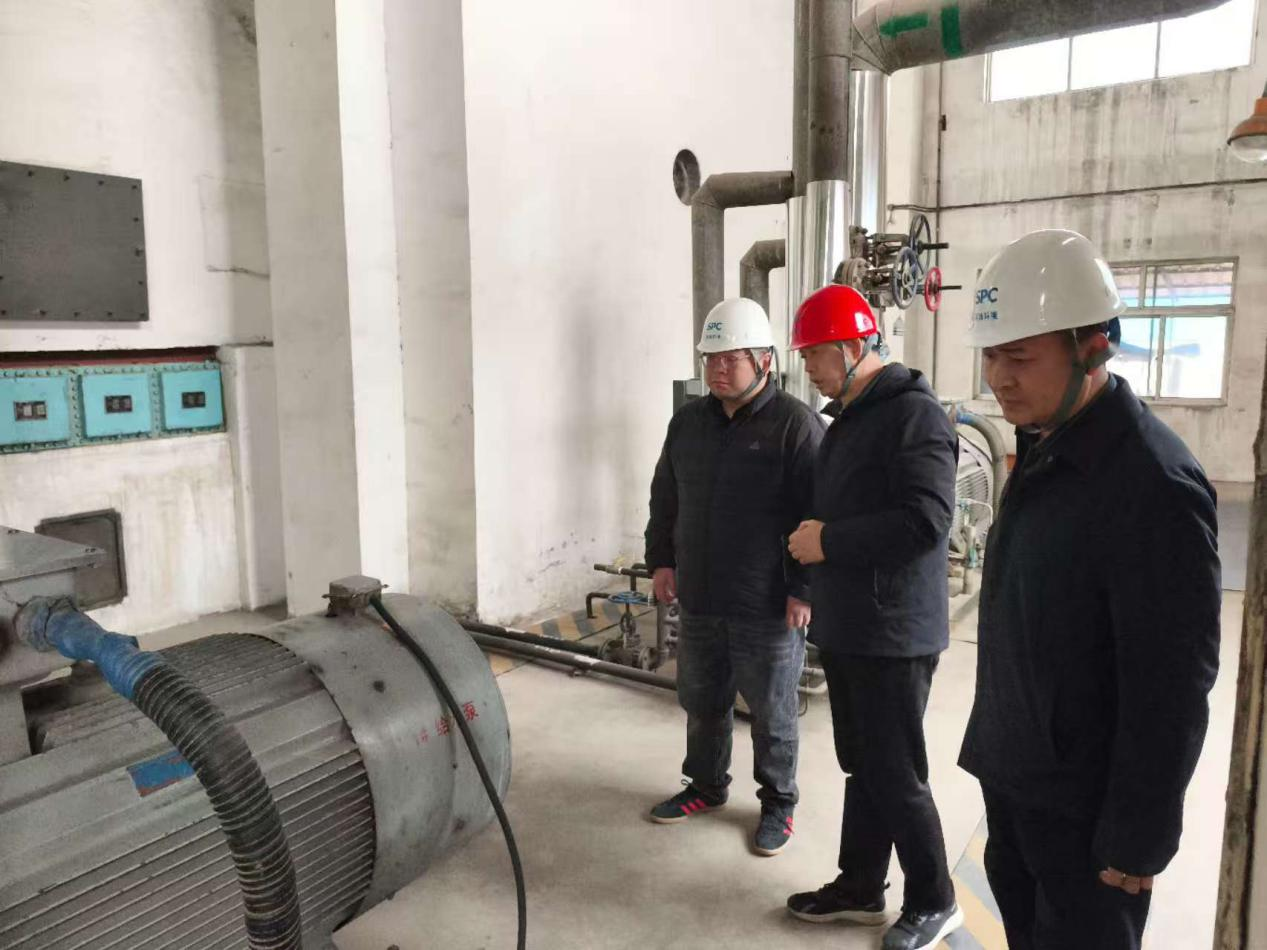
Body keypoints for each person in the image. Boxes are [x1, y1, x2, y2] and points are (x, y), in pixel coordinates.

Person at [960, 229, 1221, 950]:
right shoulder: (1046, 443)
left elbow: (1173, 682)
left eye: (1019, 357)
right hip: (1017, 776)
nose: (998, 378)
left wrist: (1139, 832)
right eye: (989, 355)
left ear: (1094, 347)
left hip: (1088, 812)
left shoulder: (1151, 485)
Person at [784, 284, 964, 950]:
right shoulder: (851, 419)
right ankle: (861, 885)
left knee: (895, 772)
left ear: (852, 346)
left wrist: (828, 541)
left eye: (814, 354)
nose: (807, 367)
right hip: (853, 624)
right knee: (863, 765)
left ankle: (936, 900)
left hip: (894, 631)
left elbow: (926, 520)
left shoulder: (914, 415)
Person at [644, 296, 825, 856]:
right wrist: (661, 560)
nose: (718, 369)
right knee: (702, 701)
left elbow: (819, 514)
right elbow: (665, 497)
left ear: (764, 360)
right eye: (711, 358)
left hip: (767, 604)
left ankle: (778, 804)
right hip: (701, 596)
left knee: (771, 712)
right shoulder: (688, 423)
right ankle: (705, 786)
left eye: (731, 358)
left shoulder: (795, 425)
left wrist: (803, 590)